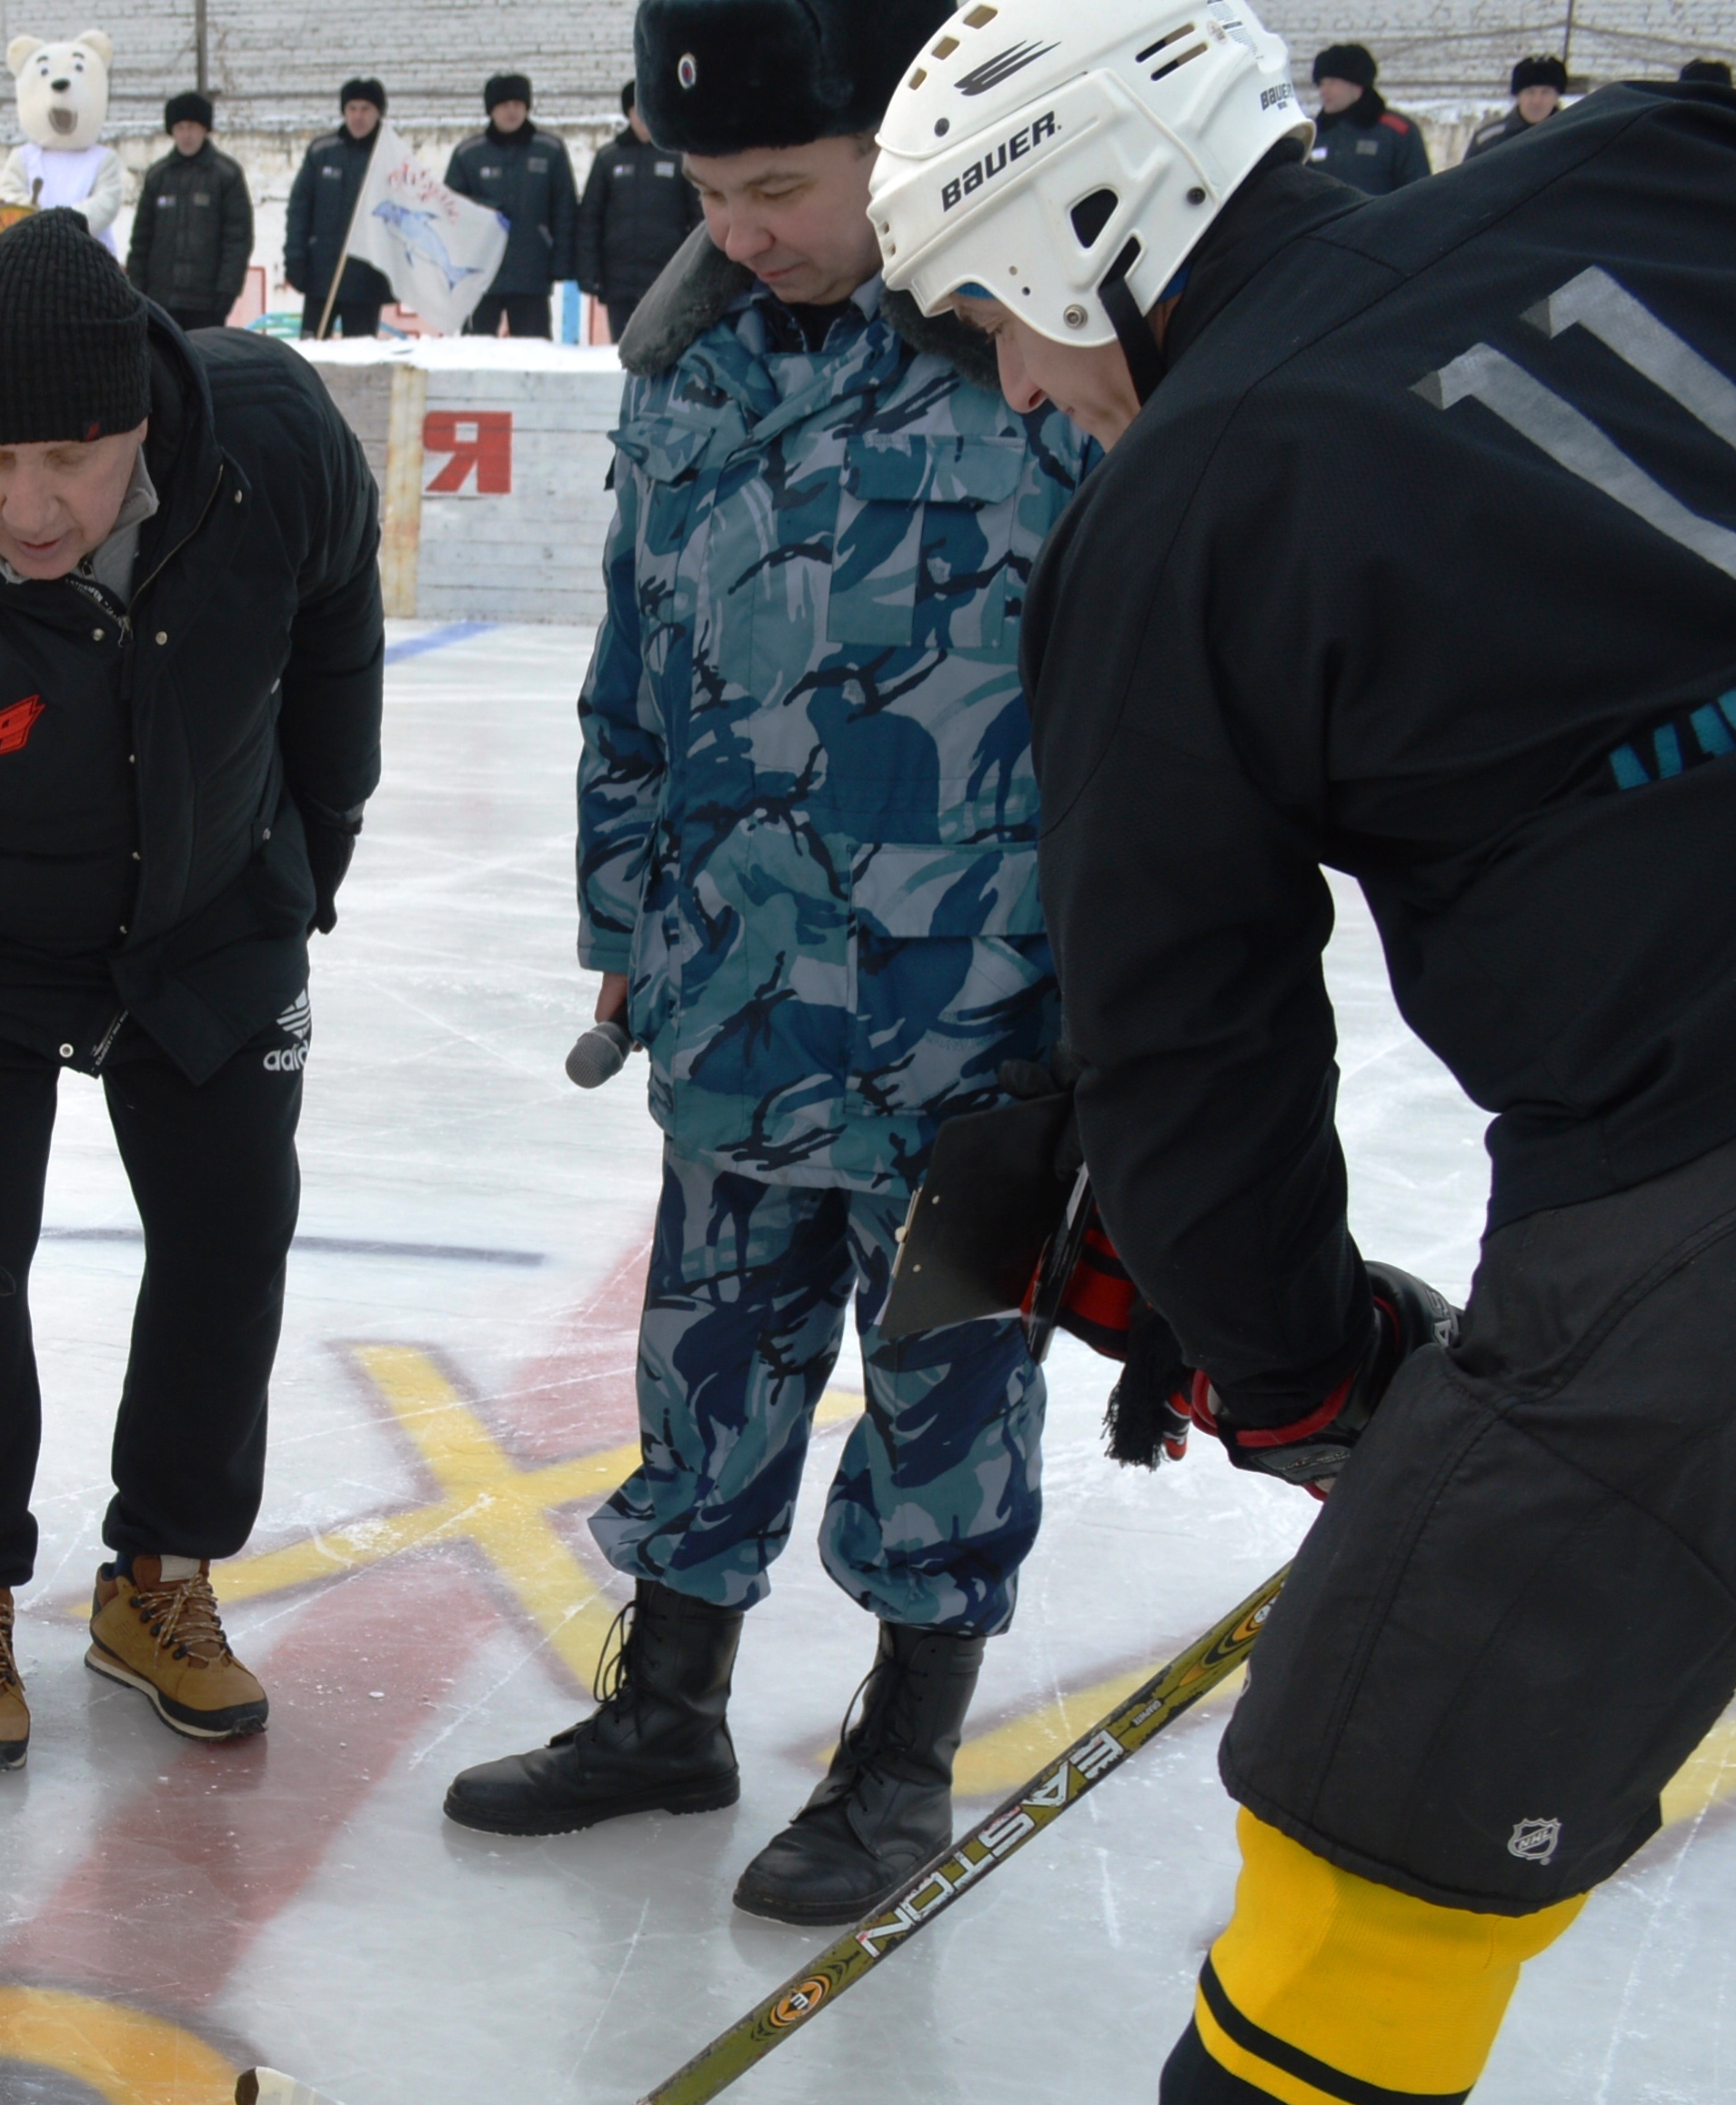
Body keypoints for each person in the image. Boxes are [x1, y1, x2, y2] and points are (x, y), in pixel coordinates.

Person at [849, 6, 1736, 2105]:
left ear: (1089, 231)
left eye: (1001, 329)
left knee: (1386, 1765)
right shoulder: (1666, 154)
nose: (1026, 396)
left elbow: (1188, 1045)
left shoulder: (1178, 513)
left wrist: (1293, 1380)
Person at [436, 0, 1096, 1928]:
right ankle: (672, 1705)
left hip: (973, 997)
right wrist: (625, 928)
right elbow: (633, 676)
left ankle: (903, 1753)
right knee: (709, 1349)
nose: (738, 228)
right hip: (732, 973)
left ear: (905, 156)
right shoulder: (693, 366)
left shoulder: (1033, 360)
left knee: (944, 1382)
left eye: (780, 189)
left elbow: (1148, 697)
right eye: (709, 188)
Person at [0, 213, 382, 1769]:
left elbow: (333, 625)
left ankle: (160, 1575)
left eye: (76, 458)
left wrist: (318, 834)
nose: (31, 507)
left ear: (143, 425)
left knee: (230, 1237)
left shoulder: (270, 442)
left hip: (215, 899)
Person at [444, 75, 578, 339]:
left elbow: (565, 209)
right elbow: (451, 212)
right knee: (475, 353)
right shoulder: (468, 154)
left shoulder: (549, 150)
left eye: (518, 103)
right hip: (480, 277)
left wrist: (561, 263)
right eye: (504, 104)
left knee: (533, 354)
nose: (511, 111)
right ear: (491, 109)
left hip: (532, 273)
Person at [577, 88, 702, 339]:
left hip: (667, 278)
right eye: (637, 110)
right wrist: (589, 272)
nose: (643, 118)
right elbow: (590, 219)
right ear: (628, 113)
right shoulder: (608, 159)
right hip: (618, 280)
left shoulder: (679, 157)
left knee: (663, 347)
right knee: (621, 351)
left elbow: (699, 217)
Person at [125, 91, 252, 332]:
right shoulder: (157, 176)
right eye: (180, 127)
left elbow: (237, 239)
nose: (186, 135)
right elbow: (141, 239)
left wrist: (227, 291)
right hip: (161, 301)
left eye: (192, 127)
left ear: (205, 129)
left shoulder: (226, 174)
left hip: (207, 304)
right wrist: (137, 289)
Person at [283, 80, 392, 339]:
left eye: (366, 109)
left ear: (378, 113)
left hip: (366, 282)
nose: (358, 116)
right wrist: (295, 259)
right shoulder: (322, 152)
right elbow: (299, 209)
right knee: (311, 353)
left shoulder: (389, 157)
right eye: (352, 108)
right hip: (321, 278)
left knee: (360, 360)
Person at [1304, 44, 1432, 194]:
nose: (1323, 91)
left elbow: (1420, 192)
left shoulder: (1397, 132)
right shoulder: (1312, 135)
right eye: (1321, 84)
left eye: (1332, 83)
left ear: (1357, 85)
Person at [1465, 54, 1569, 156]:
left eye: (1545, 92)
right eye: (1530, 92)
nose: (1537, 101)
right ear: (1518, 96)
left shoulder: (1571, 137)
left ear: (1557, 97)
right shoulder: (1488, 141)